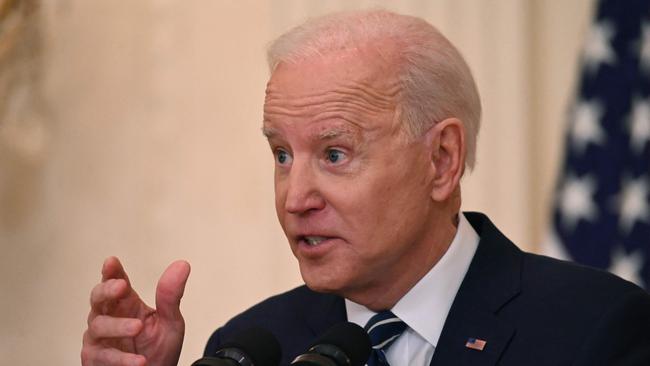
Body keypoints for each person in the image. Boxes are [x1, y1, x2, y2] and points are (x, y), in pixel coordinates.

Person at [81, 10, 650, 366]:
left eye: (334, 154)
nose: (294, 196)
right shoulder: (255, 346)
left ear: (441, 160)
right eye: (282, 154)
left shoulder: (594, 331)